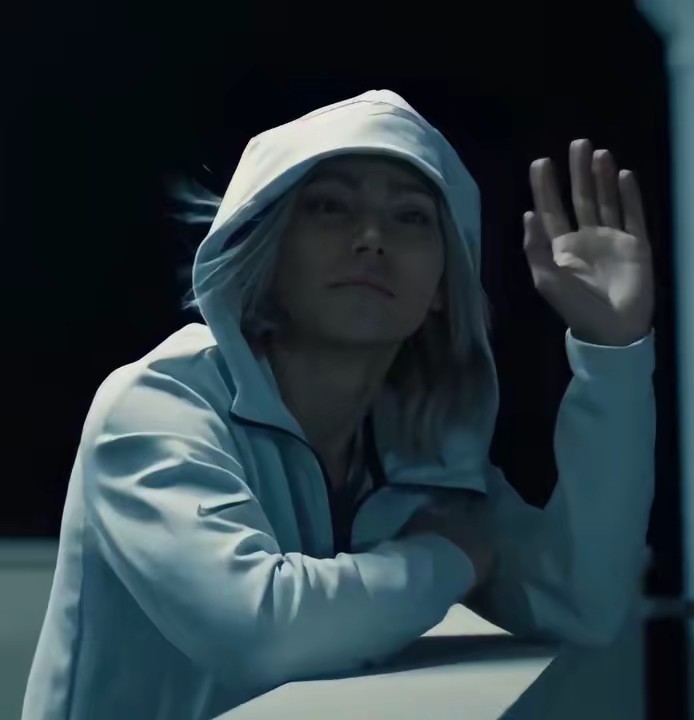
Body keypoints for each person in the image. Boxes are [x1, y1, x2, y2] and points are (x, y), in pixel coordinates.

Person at [22, 89, 657, 720]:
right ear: (268, 248)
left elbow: (582, 604)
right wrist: (446, 558)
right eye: (330, 207)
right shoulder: (159, 405)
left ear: (444, 284)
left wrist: (613, 352)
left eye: (411, 217)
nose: (372, 238)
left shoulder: (422, 452)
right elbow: (258, 631)